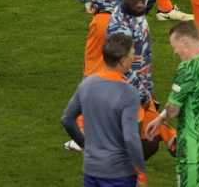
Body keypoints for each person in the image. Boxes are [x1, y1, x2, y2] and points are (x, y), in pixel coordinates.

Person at [61, 33, 148, 187]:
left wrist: (85, 144)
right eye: (132, 55)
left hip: (91, 170)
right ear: (123, 61)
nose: (133, 58)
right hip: (119, 174)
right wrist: (141, 174)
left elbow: (67, 119)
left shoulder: (86, 84)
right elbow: (130, 138)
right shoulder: (129, 93)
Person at [146, 22, 199, 187]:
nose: (174, 52)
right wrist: (159, 120)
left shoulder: (187, 67)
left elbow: (173, 110)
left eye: (174, 46)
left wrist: (163, 113)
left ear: (184, 42)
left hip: (193, 148)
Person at [107, 0, 177, 158]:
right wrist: (144, 94)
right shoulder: (120, 26)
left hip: (139, 88)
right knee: (143, 142)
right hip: (125, 92)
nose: (140, 4)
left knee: (149, 141)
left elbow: (143, 57)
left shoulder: (136, 13)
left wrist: (149, 89)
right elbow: (121, 66)